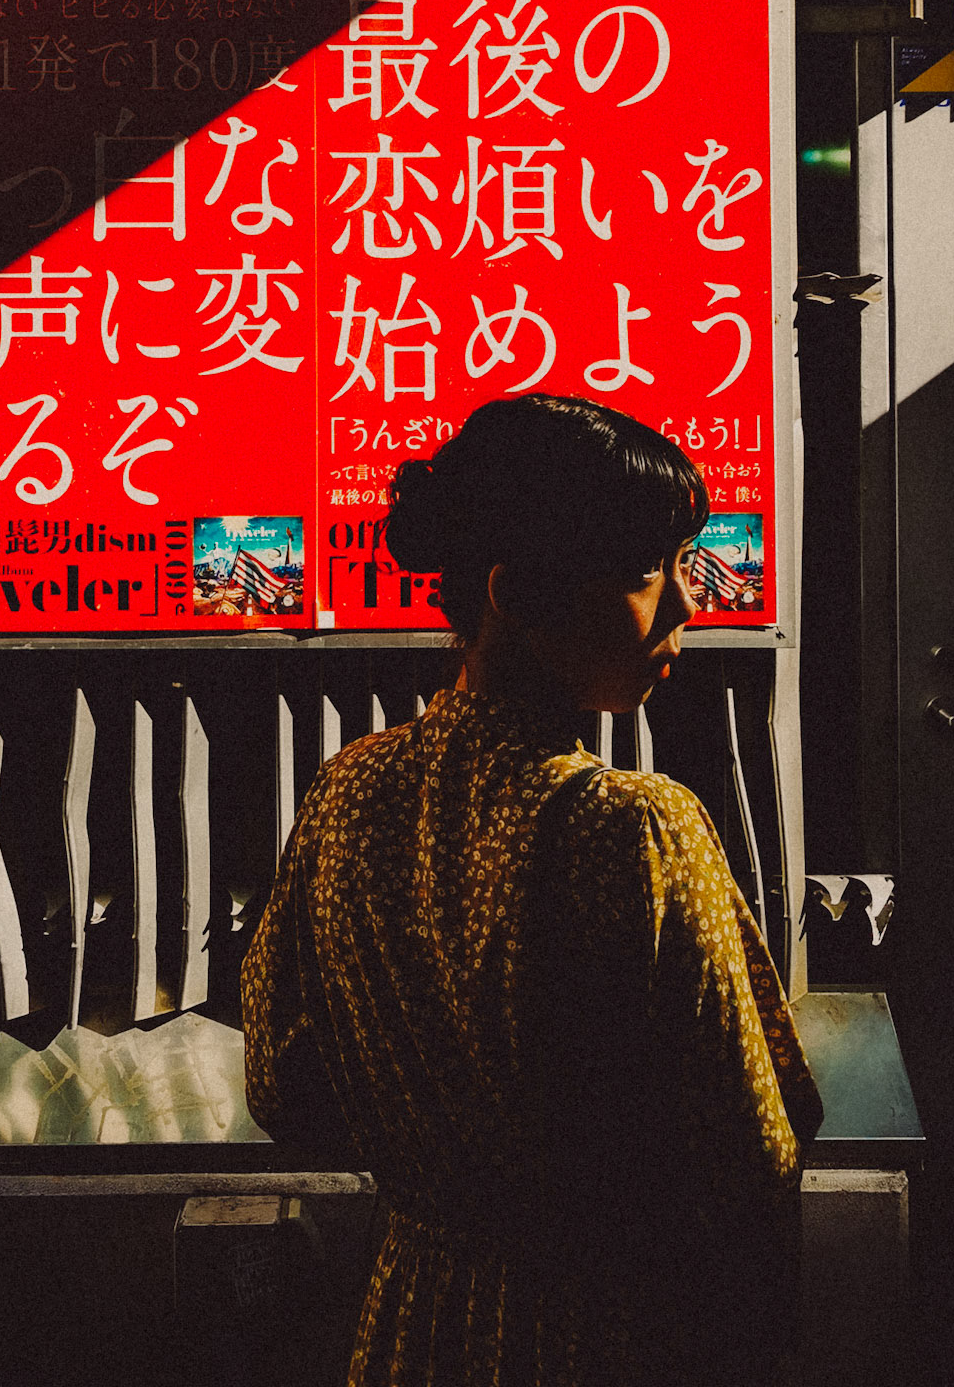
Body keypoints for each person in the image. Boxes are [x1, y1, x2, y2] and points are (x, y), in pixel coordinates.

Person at [242, 395, 823, 1387]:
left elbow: (281, 1080)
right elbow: (755, 1149)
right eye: (651, 571)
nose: (688, 603)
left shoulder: (349, 791)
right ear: (519, 593)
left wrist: (445, 1176)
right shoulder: (636, 826)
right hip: (608, 1331)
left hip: (410, 1324)